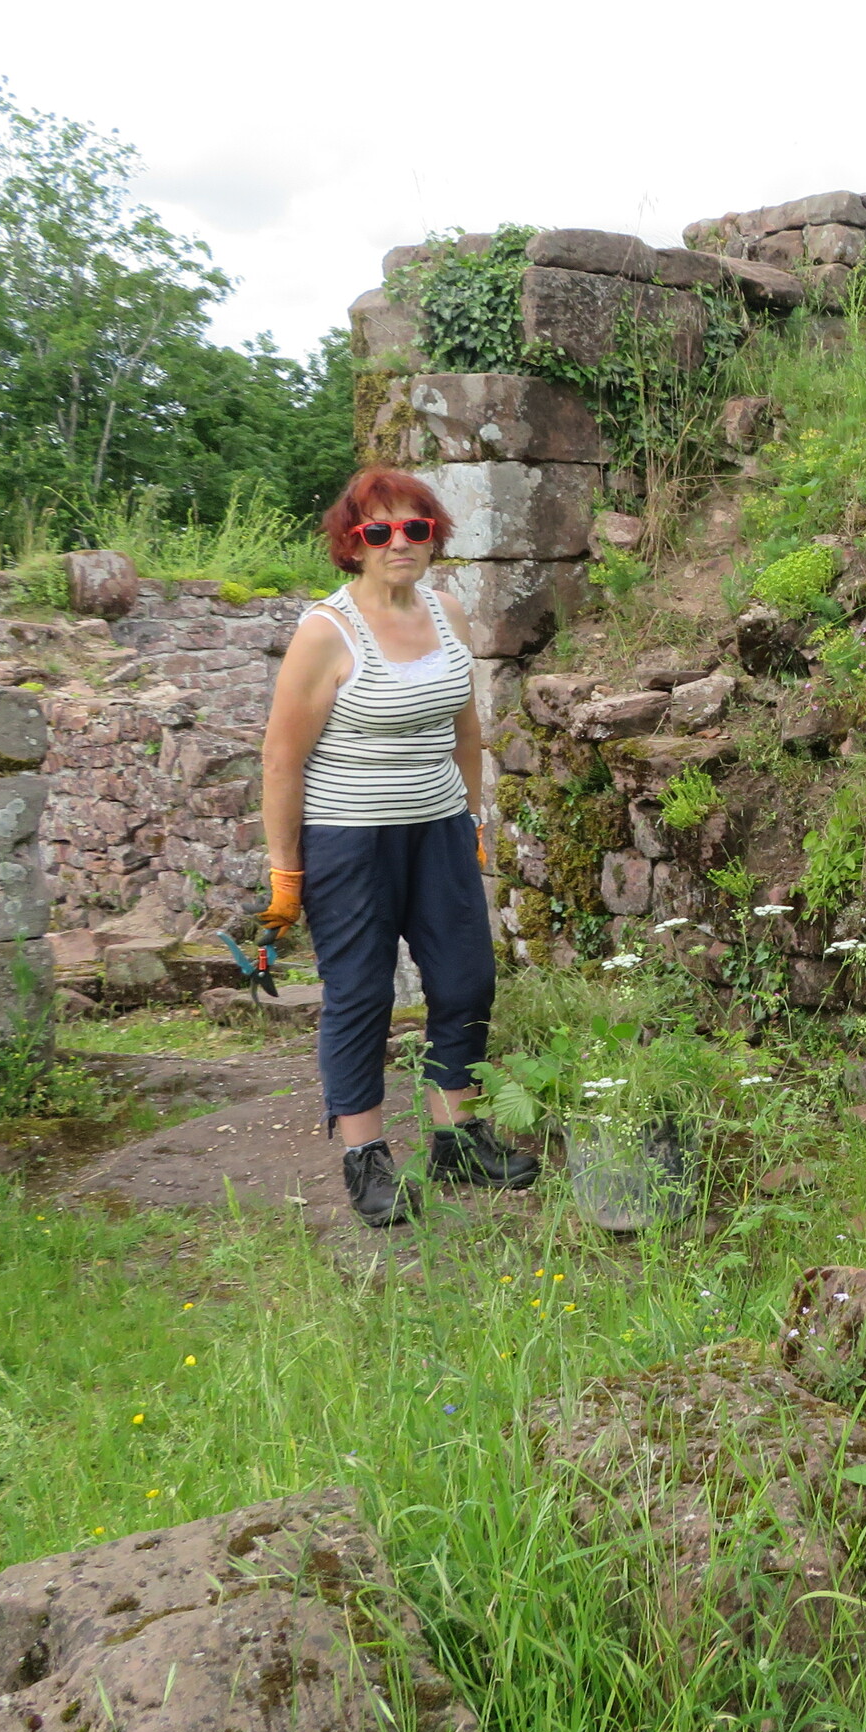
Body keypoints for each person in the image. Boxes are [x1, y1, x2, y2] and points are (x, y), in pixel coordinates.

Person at [257, 467, 538, 1225]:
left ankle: (458, 1139)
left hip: (439, 828)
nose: (400, 542)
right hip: (349, 841)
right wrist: (286, 875)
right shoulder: (326, 632)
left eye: (416, 527)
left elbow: (466, 729)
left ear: (433, 536)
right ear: (352, 545)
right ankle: (366, 1159)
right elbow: (281, 760)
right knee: (361, 994)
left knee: (467, 979)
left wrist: (472, 819)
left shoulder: (448, 613)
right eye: (378, 531)